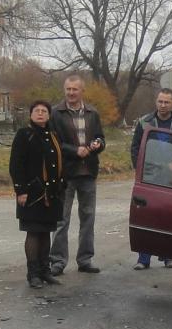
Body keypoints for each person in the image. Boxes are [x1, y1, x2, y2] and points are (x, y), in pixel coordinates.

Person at [48, 72, 105, 274]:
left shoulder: (93, 113)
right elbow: (53, 143)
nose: (71, 93)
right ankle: (58, 262)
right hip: (66, 173)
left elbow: (100, 138)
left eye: (75, 89)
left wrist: (97, 144)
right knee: (62, 219)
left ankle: (85, 260)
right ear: (65, 90)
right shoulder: (55, 113)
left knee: (88, 218)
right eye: (68, 89)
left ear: (82, 91)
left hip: (88, 172)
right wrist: (75, 151)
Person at [129, 88, 172, 269]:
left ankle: (168, 256)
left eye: (166, 102)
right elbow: (135, 148)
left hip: (171, 177)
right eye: (160, 101)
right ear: (156, 102)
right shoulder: (145, 122)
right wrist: (139, 168)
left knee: (169, 215)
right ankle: (143, 259)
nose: (162, 105)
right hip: (149, 175)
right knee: (145, 216)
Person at [9, 100, 64, 288]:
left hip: (51, 195)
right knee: (33, 232)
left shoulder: (53, 135)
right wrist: (21, 190)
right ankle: (33, 275)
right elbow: (16, 165)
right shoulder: (24, 135)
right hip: (31, 194)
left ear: (49, 115)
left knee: (46, 233)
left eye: (44, 111)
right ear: (31, 114)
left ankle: (44, 271)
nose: (40, 114)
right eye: (37, 111)